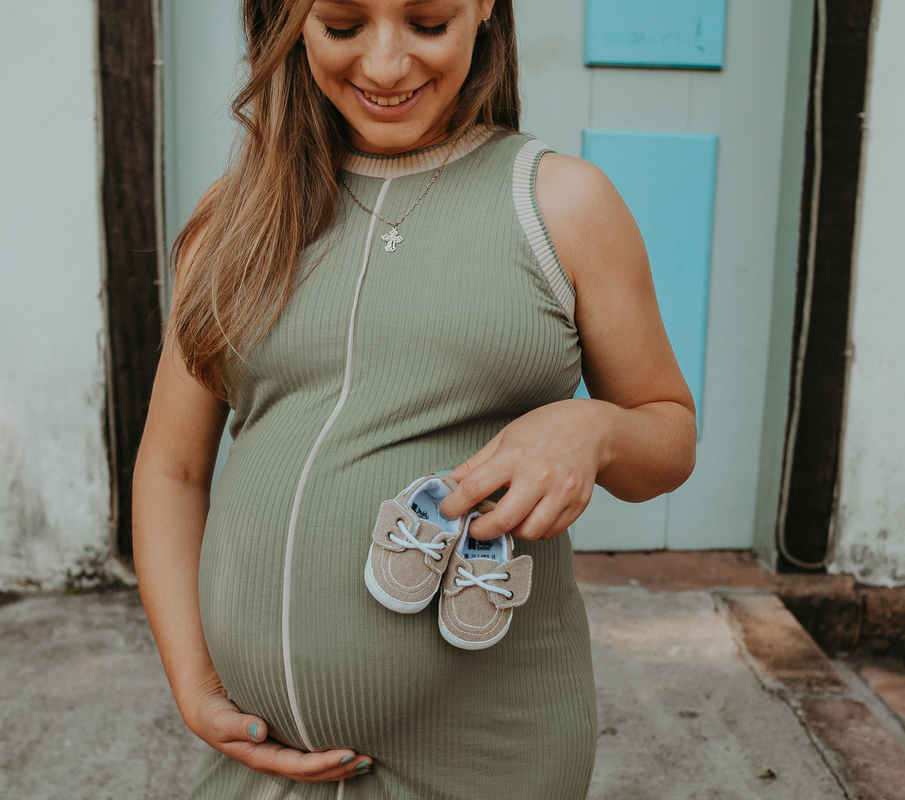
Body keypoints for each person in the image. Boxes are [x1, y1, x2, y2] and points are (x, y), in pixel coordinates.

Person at [132, 0, 697, 797]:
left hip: (489, 759)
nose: (387, 65)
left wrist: (592, 430)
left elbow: (666, 439)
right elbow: (172, 470)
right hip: (259, 770)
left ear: (483, 10)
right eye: (342, 25)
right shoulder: (235, 219)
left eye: (428, 23)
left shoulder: (561, 207)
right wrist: (191, 682)